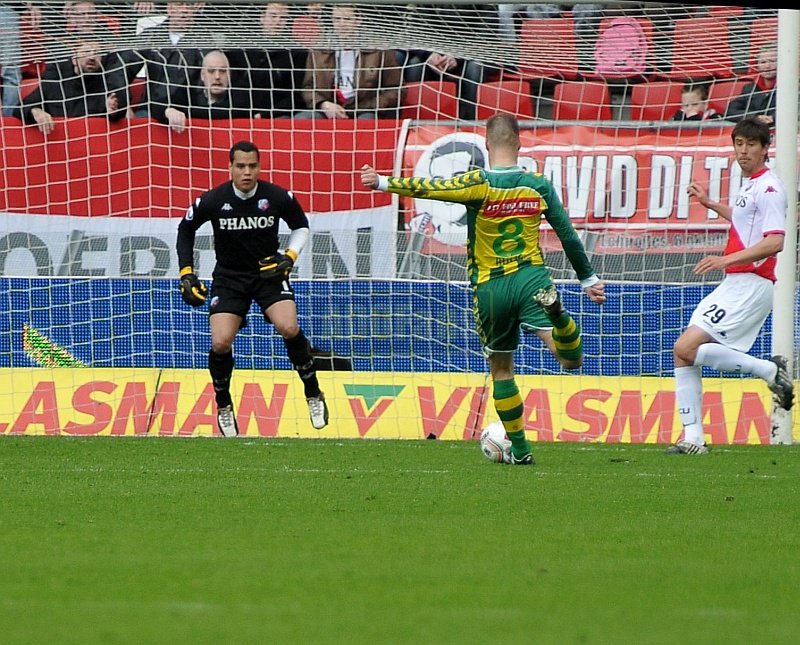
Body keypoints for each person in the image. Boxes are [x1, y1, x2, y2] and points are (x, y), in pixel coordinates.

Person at [361, 113, 606, 464]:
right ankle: (559, 316)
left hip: (491, 287)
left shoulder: (477, 183)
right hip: (532, 279)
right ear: (519, 143)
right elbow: (566, 233)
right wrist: (588, 279)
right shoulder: (537, 184)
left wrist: (383, 182)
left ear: (487, 144)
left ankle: (520, 452)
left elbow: (430, 188)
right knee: (571, 359)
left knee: (502, 370)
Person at [176, 140, 329, 437]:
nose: (247, 172)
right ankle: (223, 404)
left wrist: (289, 257)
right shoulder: (213, 200)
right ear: (230, 167)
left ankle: (313, 392)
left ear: (259, 166)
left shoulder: (276, 196)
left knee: (288, 326)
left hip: (267, 274)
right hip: (230, 278)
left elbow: (301, 225)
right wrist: (187, 274)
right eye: (241, 166)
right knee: (221, 342)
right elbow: (186, 229)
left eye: (253, 166)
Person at [666, 117, 794, 455]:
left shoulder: (769, 188)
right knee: (683, 354)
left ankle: (769, 370)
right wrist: (710, 204)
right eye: (739, 144)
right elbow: (743, 222)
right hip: (736, 281)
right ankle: (693, 438)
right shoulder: (751, 184)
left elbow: (775, 242)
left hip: (751, 283)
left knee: (686, 348)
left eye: (752, 145)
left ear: (766, 149)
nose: (743, 151)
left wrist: (726, 259)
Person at [297, 3, 403, 120]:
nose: (342, 24)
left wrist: (368, 106)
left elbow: (397, 89)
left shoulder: (380, 49)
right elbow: (308, 87)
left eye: (347, 19)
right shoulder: (319, 49)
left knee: (366, 121)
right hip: (328, 108)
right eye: (337, 19)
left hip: (366, 109)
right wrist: (324, 104)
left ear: (359, 20)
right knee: (302, 120)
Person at [16, 38, 128, 133]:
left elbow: (118, 114)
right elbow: (20, 108)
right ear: (74, 60)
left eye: (97, 53)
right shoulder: (55, 82)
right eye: (87, 52)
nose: (92, 57)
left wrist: (113, 111)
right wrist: (35, 111)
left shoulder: (106, 84)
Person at [226, 1, 307, 119]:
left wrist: (265, 115)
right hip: (243, 112)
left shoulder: (297, 53)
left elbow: (297, 95)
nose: (278, 21)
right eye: (273, 16)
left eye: (283, 17)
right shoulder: (243, 49)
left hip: (280, 115)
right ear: (262, 18)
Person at [162, 49, 251, 133]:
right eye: (211, 71)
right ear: (202, 76)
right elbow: (157, 105)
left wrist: (183, 112)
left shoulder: (242, 92)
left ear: (230, 75)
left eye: (223, 71)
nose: (217, 76)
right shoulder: (191, 88)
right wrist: (169, 111)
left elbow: (226, 111)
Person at [724, 42, 777, 126]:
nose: (767, 66)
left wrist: (773, 118)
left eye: (772, 61)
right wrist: (755, 117)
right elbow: (730, 111)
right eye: (763, 62)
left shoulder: (793, 88)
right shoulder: (749, 89)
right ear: (757, 65)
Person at [0, 2, 22, 116]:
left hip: (9, 11)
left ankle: (8, 123)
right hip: (7, 12)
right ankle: (9, 123)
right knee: (11, 75)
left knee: (11, 75)